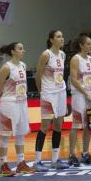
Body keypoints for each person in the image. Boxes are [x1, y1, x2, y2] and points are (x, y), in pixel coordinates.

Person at [0, 42, 36, 176]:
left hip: (22, 103)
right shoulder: (6, 67)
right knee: (5, 135)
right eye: (20, 48)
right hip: (9, 104)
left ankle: (21, 163)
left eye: (23, 48)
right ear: (12, 51)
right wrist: (6, 99)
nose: (23, 51)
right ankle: (3, 165)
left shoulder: (23, 65)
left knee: (20, 134)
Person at [34, 30, 70, 171]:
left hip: (61, 92)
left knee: (58, 125)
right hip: (48, 93)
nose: (62, 39)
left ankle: (55, 160)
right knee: (45, 125)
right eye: (58, 36)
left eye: (62, 36)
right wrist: (41, 91)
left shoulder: (62, 54)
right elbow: (38, 75)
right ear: (51, 40)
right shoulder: (46, 54)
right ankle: (38, 161)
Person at [67, 35, 91, 167]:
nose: (90, 46)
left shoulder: (90, 59)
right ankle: (71, 154)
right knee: (76, 125)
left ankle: (85, 153)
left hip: (90, 96)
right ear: (81, 45)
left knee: (89, 126)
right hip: (79, 95)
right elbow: (74, 79)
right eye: (88, 44)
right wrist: (86, 93)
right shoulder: (76, 59)